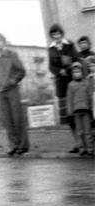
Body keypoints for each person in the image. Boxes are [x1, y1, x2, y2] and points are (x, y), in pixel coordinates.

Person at [0, 32, 29, 156]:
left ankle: (22, 145)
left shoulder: (11, 54)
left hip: (12, 90)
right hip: (1, 92)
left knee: (17, 117)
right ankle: (13, 145)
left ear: (4, 42)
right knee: (7, 120)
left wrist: (12, 81)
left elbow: (21, 71)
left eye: (0, 40)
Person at [47, 24, 79, 153]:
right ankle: (77, 143)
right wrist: (59, 71)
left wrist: (68, 69)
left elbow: (76, 59)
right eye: (54, 35)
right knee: (69, 115)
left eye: (58, 34)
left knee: (79, 111)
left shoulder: (69, 45)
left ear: (62, 34)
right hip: (61, 84)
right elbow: (51, 66)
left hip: (73, 81)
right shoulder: (51, 49)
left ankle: (86, 142)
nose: (57, 36)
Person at [66, 62, 93, 156]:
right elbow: (69, 100)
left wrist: (92, 111)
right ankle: (82, 148)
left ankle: (90, 148)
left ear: (82, 72)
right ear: (72, 74)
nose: (77, 73)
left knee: (87, 131)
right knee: (79, 131)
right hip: (76, 112)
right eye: (74, 72)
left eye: (78, 71)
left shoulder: (86, 83)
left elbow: (90, 97)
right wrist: (70, 114)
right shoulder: (70, 85)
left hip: (86, 111)